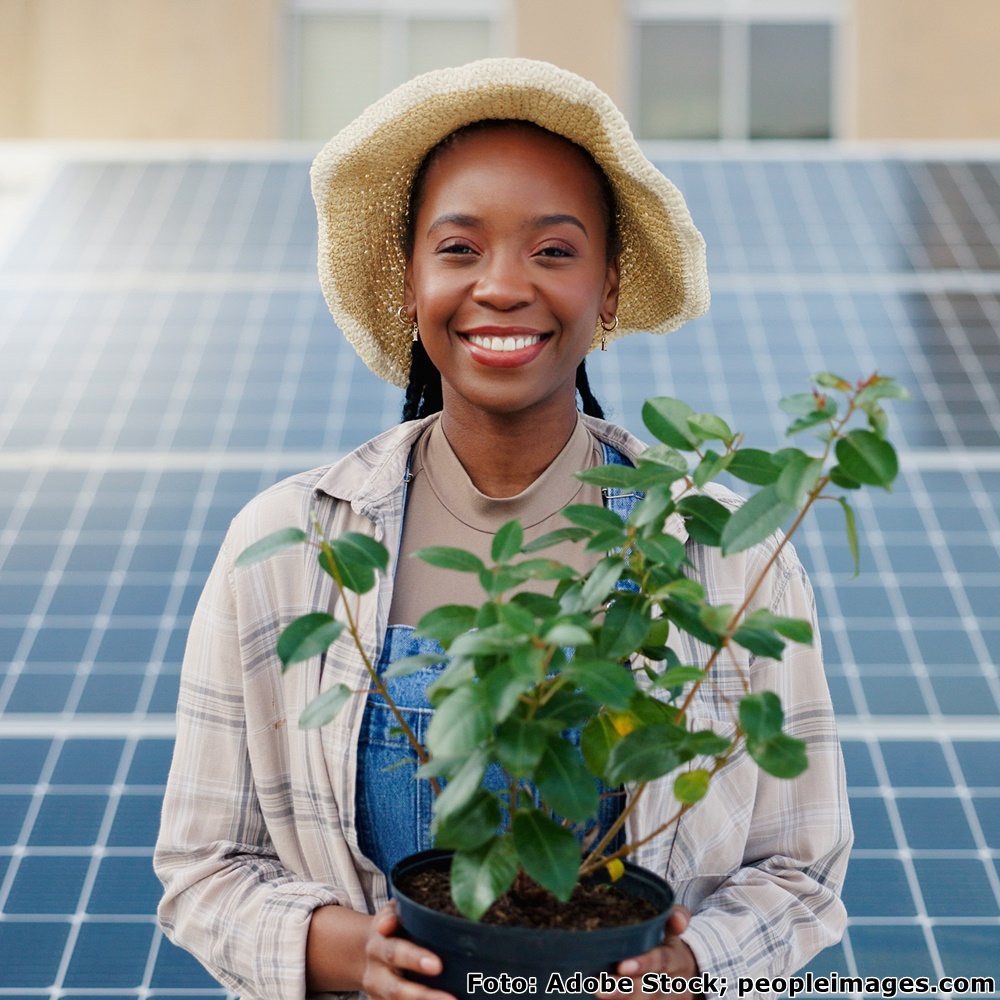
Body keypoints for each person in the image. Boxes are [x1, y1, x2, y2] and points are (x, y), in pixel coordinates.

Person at [154, 58, 851, 1000]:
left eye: (554, 251)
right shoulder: (286, 544)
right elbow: (204, 866)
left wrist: (684, 966)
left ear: (609, 289)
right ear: (409, 285)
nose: (503, 286)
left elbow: (799, 871)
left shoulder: (728, 550)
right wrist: (359, 955)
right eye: (459, 248)